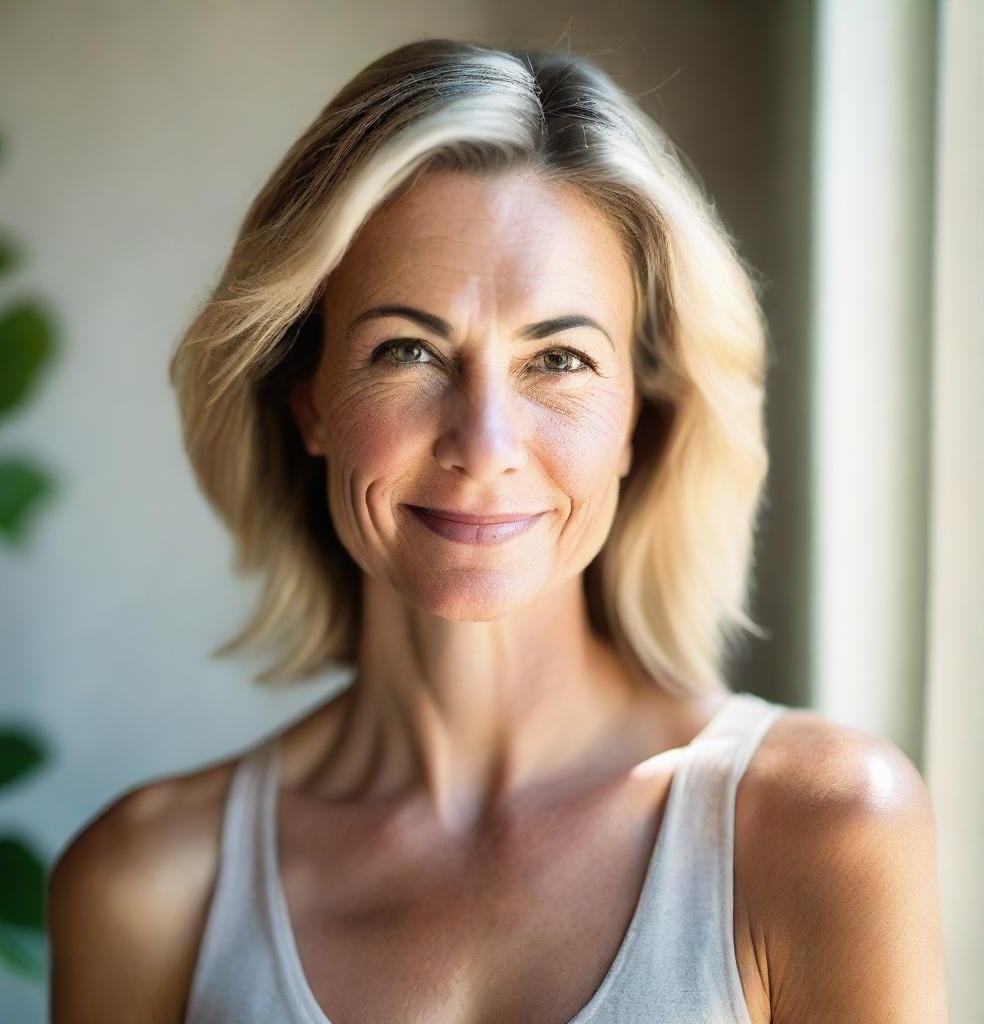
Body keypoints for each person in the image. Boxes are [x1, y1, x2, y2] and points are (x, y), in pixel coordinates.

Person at [46, 38, 948, 1024]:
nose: (483, 444)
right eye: (406, 350)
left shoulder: (820, 830)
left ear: (637, 420)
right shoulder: (147, 885)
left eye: (556, 359)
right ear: (308, 402)